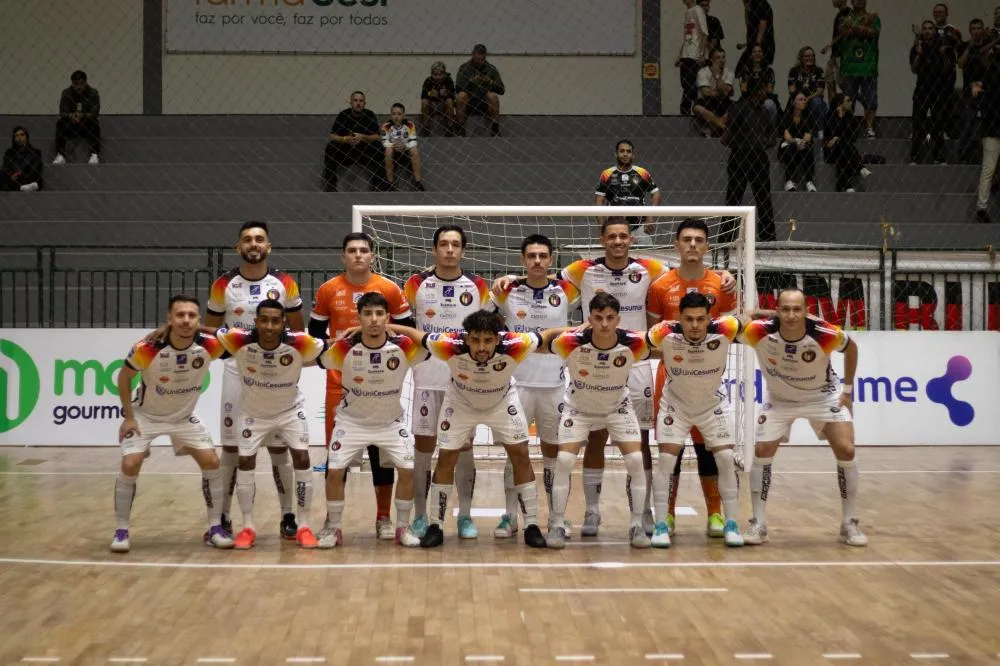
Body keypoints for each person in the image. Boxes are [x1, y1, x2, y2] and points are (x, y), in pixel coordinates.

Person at [387, 310, 550, 548]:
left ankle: (532, 524)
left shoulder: (516, 344)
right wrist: (386, 326)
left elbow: (550, 334)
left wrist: (584, 327)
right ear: (466, 339)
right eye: (475, 340)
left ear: (498, 339)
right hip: (460, 403)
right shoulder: (448, 344)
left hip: (502, 402)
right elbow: (416, 334)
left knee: (521, 455)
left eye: (487, 340)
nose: (481, 347)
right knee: (446, 458)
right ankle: (436, 525)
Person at [740, 288, 866, 547]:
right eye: (785, 309)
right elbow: (729, 326)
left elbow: (852, 348)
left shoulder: (824, 334)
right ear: (777, 311)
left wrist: (848, 391)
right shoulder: (759, 331)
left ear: (807, 312)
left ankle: (849, 523)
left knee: (846, 448)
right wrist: (749, 314)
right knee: (762, 449)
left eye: (797, 309)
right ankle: (759, 524)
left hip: (823, 397)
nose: (791, 315)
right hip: (780, 400)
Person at [308, 232, 413, 540]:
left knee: (383, 457)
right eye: (351, 250)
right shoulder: (329, 289)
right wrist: (343, 345)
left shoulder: (388, 289)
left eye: (363, 250)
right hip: (340, 387)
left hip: (383, 384)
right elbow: (315, 338)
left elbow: (412, 331)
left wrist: (372, 331)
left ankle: (383, 518)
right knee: (337, 459)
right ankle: (333, 522)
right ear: (343, 256)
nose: (357, 255)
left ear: (372, 255)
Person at [205, 221, 305, 539]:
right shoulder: (223, 284)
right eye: (247, 239)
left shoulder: (285, 282)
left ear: (268, 247)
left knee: (279, 448)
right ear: (238, 247)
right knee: (232, 448)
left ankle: (288, 515)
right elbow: (210, 333)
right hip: (238, 372)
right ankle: (223, 515)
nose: (254, 244)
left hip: (276, 373)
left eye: (259, 239)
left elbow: (297, 332)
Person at [111, 295, 233, 553]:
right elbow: (124, 379)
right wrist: (129, 417)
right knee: (130, 463)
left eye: (191, 315)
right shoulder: (148, 347)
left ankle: (214, 528)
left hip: (183, 417)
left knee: (212, 461)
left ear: (199, 319)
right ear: (169, 318)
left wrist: (207, 329)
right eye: (180, 315)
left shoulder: (210, 345)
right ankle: (121, 530)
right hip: (146, 416)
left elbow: (240, 339)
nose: (186, 321)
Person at [646, 219, 738, 538]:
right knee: (671, 451)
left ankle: (715, 514)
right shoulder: (660, 287)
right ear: (677, 245)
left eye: (699, 239)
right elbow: (653, 338)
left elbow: (730, 328)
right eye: (687, 239)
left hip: (707, 380)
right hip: (670, 378)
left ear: (708, 245)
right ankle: (666, 516)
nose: (693, 245)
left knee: (708, 449)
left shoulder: (721, 285)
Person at [314, 292, 426, 548]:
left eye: (379, 314)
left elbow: (428, 345)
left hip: (390, 423)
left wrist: (398, 327)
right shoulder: (345, 348)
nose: (373, 320)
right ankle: (334, 527)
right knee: (334, 472)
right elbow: (315, 358)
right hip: (352, 423)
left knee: (408, 470)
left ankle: (402, 527)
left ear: (386, 317)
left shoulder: (403, 346)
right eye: (367, 314)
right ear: (358, 317)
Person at [489, 234, 581, 539]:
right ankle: (509, 516)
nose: (537, 261)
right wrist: (506, 279)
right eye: (531, 256)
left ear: (551, 260)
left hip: (554, 385)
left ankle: (557, 517)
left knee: (554, 455)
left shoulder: (567, 289)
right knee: (515, 453)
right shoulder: (506, 291)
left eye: (543, 256)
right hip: (516, 385)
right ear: (522, 260)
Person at [545, 293, 654, 549]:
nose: (604, 324)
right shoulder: (570, 342)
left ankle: (637, 524)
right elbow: (542, 337)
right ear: (589, 318)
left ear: (619, 319)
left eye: (609, 318)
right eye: (597, 318)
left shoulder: (635, 343)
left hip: (617, 407)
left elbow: (668, 344)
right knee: (563, 460)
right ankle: (558, 523)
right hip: (578, 408)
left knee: (636, 459)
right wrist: (572, 328)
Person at [216, 300, 326, 550]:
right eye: (264, 319)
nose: (269, 325)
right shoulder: (239, 340)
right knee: (245, 461)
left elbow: (330, 346)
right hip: (253, 414)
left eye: (275, 320)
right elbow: (205, 334)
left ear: (283, 323)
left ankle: (304, 524)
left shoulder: (300, 343)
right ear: (255, 321)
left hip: (289, 412)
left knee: (301, 458)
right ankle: (248, 526)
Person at [404, 225, 490, 539]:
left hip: (464, 381)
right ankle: (421, 515)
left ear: (463, 251)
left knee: (463, 448)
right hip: (427, 378)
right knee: (423, 448)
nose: (449, 250)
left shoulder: (478, 286)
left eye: (455, 245)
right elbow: (403, 324)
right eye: (443, 244)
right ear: (434, 249)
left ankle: (464, 516)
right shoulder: (415, 283)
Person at [722, 77, 777, 242]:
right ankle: (727, 236)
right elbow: (727, 136)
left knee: (763, 197)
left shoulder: (764, 112)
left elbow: (772, 137)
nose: (765, 94)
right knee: (734, 197)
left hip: (757, 156)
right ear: (756, 91)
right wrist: (746, 143)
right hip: (741, 155)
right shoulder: (739, 109)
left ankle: (767, 235)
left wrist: (757, 143)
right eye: (762, 90)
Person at [594, 139, 663, 243]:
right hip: (615, 227)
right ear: (616, 154)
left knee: (646, 257)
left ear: (633, 155)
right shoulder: (606, 174)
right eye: (622, 151)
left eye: (628, 151)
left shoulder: (642, 172)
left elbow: (656, 194)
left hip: (639, 226)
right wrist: (603, 227)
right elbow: (599, 201)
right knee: (616, 257)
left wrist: (650, 217)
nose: (625, 154)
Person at [910, 20, 954, 165]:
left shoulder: (943, 46)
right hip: (922, 89)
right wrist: (918, 54)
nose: (928, 31)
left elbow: (948, 68)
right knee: (918, 123)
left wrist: (943, 55)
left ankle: (939, 157)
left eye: (930, 28)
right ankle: (915, 157)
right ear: (922, 31)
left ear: (935, 31)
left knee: (938, 123)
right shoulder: (917, 47)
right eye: (925, 29)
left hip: (938, 89)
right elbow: (914, 69)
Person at [323, 91, 384, 192]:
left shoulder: (369, 114)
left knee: (378, 147)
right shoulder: (343, 115)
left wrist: (363, 137)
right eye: (355, 100)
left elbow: (376, 136)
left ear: (364, 103)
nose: (358, 103)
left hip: (364, 152)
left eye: (361, 101)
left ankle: (378, 184)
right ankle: (331, 184)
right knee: (331, 146)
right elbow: (332, 136)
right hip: (346, 151)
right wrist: (345, 139)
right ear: (350, 102)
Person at [839, 0, 881, 138]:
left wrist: (854, 26)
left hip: (868, 67)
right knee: (848, 100)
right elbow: (844, 33)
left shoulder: (874, 18)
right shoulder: (844, 17)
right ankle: (847, 128)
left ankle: (869, 128)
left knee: (870, 100)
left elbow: (872, 33)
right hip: (850, 67)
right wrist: (862, 27)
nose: (858, 1)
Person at [973, 36, 1000, 224]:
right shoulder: (991, 73)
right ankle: (981, 208)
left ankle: (982, 207)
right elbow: (982, 53)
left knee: (988, 169)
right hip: (992, 127)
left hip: (992, 126)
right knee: (988, 169)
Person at [455, 44, 506, 137]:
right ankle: (460, 128)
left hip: (484, 101)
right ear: (473, 55)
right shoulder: (464, 68)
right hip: (469, 100)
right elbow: (457, 87)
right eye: (477, 59)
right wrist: (471, 82)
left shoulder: (491, 69)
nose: (480, 62)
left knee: (493, 96)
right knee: (461, 96)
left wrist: (489, 81)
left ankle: (495, 129)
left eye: (482, 59)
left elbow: (502, 89)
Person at [957, 19, 989, 163]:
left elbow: (990, 67)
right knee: (968, 123)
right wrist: (969, 48)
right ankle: (963, 155)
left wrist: (982, 83)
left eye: (979, 28)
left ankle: (987, 155)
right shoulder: (964, 45)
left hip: (987, 90)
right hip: (969, 90)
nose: (976, 31)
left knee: (987, 123)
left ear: (983, 30)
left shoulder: (988, 46)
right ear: (970, 31)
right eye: (974, 29)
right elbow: (961, 64)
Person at [53, 70, 100, 165]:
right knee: (60, 123)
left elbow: (95, 112)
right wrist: (71, 116)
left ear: (86, 83)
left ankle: (94, 154)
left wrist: (83, 116)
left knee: (95, 123)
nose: (79, 87)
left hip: (86, 124)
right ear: (72, 83)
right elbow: (62, 112)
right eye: (76, 84)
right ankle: (60, 154)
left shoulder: (93, 93)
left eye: (81, 84)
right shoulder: (66, 93)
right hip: (71, 124)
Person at [824, 93, 865, 192]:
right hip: (831, 151)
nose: (851, 103)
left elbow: (854, 137)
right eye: (848, 100)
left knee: (842, 148)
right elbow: (830, 137)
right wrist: (840, 119)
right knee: (843, 146)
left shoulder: (851, 118)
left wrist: (839, 138)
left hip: (843, 150)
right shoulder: (830, 117)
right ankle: (859, 167)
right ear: (839, 103)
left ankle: (845, 185)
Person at [381, 103, 425, 191]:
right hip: (393, 150)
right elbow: (384, 141)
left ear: (404, 115)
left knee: (415, 150)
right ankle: (390, 182)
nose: (396, 117)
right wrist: (394, 146)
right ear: (391, 115)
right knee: (388, 150)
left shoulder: (410, 125)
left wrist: (405, 146)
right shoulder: (386, 126)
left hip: (406, 150)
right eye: (394, 114)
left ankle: (418, 182)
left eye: (399, 114)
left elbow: (413, 141)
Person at [779, 92, 818, 192]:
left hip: (803, 147)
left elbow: (808, 137)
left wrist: (801, 142)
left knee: (808, 149)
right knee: (791, 147)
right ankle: (789, 181)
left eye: (805, 99)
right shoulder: (787, 116)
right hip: (788, 147)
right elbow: (787, 137)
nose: (804, 101)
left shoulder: (808, 117)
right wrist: (796, 141)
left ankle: (809, 181)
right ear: (793, 102)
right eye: (800, 99)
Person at [676, 0, 709, 116]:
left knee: (691, 86)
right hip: (686, 55)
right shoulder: (687, 12)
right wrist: (680, 55)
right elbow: (687, 38)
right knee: (685, 84)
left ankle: (689, 111)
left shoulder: (698, 10)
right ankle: (690, 111)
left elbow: (704, 34)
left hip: (694, 55)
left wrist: (701, 54)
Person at [693, 47, 736, 137]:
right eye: (718, 58)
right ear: (711, 59)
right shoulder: (703, 72)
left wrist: (717, 77)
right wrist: (721, 89)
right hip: (707, 102)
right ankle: (721, 125)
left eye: (723, 57)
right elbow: (705, 92)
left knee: (737, 108)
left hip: (723, 102)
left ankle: (713, 127)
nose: (721, 60)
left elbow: (728, 92)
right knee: (697, 108)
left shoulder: (729, 72)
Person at [736, 44, 780, 126]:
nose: (757, 54)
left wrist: (758, 94)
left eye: (760, 51)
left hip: (765, 99)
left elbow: (769, 90)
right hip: (749, 98)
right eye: (754, 52)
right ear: (751, 55)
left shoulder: (769, 71)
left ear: (763, 54)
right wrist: (758, 93)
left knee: (769, 104)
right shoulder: (746, 70)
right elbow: (744, 90)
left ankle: (771, 130)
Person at [787, 46, 828, 131]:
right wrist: (801, 98)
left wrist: (808, 98)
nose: (810, 58)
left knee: (817, 102)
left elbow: (820, 91)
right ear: (801, 58)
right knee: (795, 102)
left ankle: (819, 133)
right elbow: (791, 89)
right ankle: (792, 132)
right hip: (798, 98)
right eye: (807, 56)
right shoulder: (794, 71)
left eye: (812, 56)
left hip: (813, 99)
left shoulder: (819, 71)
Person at [821, 0, 853, 101]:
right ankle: (832, 110)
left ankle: (848, 106)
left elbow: (844, 32)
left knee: (842, 83)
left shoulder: (848, 13)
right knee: (829, 80)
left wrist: (829, 45)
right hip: (835, 54)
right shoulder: (839, 14)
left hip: (842, 54)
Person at [420, 61, 458, 136]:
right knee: (424, 102)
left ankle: (450, 128)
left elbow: (453, 95)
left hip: (444, 105)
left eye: (440, 74)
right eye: (435, 74)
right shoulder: (428, 81)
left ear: (444, 74)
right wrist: (430, 94)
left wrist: (446, 93)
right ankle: (426, 128)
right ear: (431, 74)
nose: (438, 77)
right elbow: (423, 96)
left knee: (450, 101)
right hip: (432, 105)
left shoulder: (448, 80)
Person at [736, 0, 775, 73]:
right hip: (754, 45)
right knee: (743, 71)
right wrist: (746, 8)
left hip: (762, 46)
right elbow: (748, 24)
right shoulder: (751, 5)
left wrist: (757, 46)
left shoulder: (760, 3)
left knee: (744, 70)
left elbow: (763, 24)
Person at [1, 126, 43, 192]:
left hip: (28, 177)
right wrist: (11, 176)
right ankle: (21, 188)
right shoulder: (9, 152)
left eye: (22, 135)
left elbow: (35, 169)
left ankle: (22, 187)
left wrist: (20, 174)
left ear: (26, 137)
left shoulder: (35, 152)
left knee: (37, 178)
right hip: (12, 178)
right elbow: (6, 167)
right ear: (14, 138)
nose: (19, 137)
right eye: (17, 135)